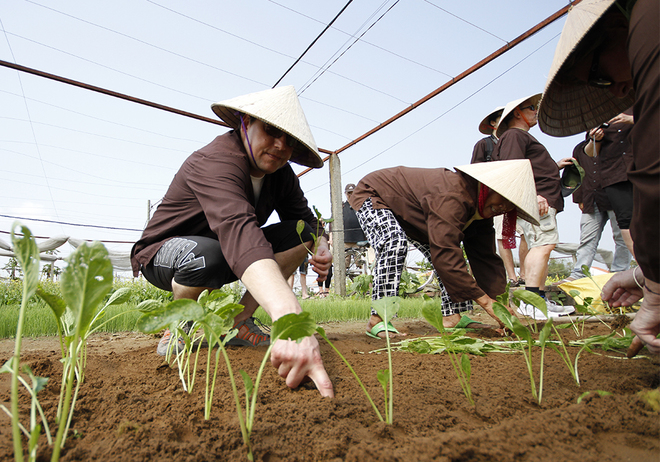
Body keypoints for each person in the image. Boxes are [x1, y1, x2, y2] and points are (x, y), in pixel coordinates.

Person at [130, 86, 334, 396]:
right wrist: (289, 319)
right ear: (245, 122)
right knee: (207, 253)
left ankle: (238, 323)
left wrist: (320, 242)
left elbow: (307, 222)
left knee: (302, 233)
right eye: (271, 131)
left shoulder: (281, 175)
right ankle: (180, 322)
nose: (280, 146)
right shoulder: (215, 161)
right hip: (165, 254)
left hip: (226, 253)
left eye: (289, 140)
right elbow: (238, 230)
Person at [538, 0, 659, 355]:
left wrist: (653, 280)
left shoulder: (649, 20)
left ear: (616, 31)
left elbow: (653, 168)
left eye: (599, 77)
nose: (618, 91)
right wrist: (644, 276)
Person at [349, 159, 541, 338]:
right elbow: (445, 254)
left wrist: (502, 306)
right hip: (374, 194)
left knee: (450, 256)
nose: (503, 206)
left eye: (510, 204)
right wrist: (486, 303)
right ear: (488, 187)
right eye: (503, 198)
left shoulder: (481, 214)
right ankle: (378, 319)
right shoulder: (453, 196)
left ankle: (451, 316)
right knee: (395, 242)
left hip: (414, 214)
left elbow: (486, 260)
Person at [491, 94, 574, 316]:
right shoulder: (515, 136)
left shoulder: (517, 137)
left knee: (542, 244)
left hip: (542, 199)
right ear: (517, 113)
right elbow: (514, 168)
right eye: (532, 108)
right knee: (543, 245)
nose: (536, 112)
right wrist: (534, 194)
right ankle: (532, 302)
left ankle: (538, 300)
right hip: (537, 200)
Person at [471, 106, 528, 286]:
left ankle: (525, 274)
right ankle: (512, 276)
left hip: (518, 193)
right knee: (502, 237)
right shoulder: (484, 144)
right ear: (493, 123)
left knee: (526, 232)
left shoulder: (518, 139)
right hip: (496, 196)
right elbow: (475, 170)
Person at [561, 136, 631, 282]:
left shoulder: (615, 144)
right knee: (587, 238)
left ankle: (618, 272)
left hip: (615, 196)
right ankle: (578, 274)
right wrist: (579, 198)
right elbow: (577, 175)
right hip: (591, 198)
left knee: (622, 236)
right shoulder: (580, 149)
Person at [582, 110, 635, 257]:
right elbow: (590, 152)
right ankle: (645, 267)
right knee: (625, 220)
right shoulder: (596, 115)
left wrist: (632, 119)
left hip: (642, 168)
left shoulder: (638, 104)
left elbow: (653, 123)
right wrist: (595, 139)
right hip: (614, 174)